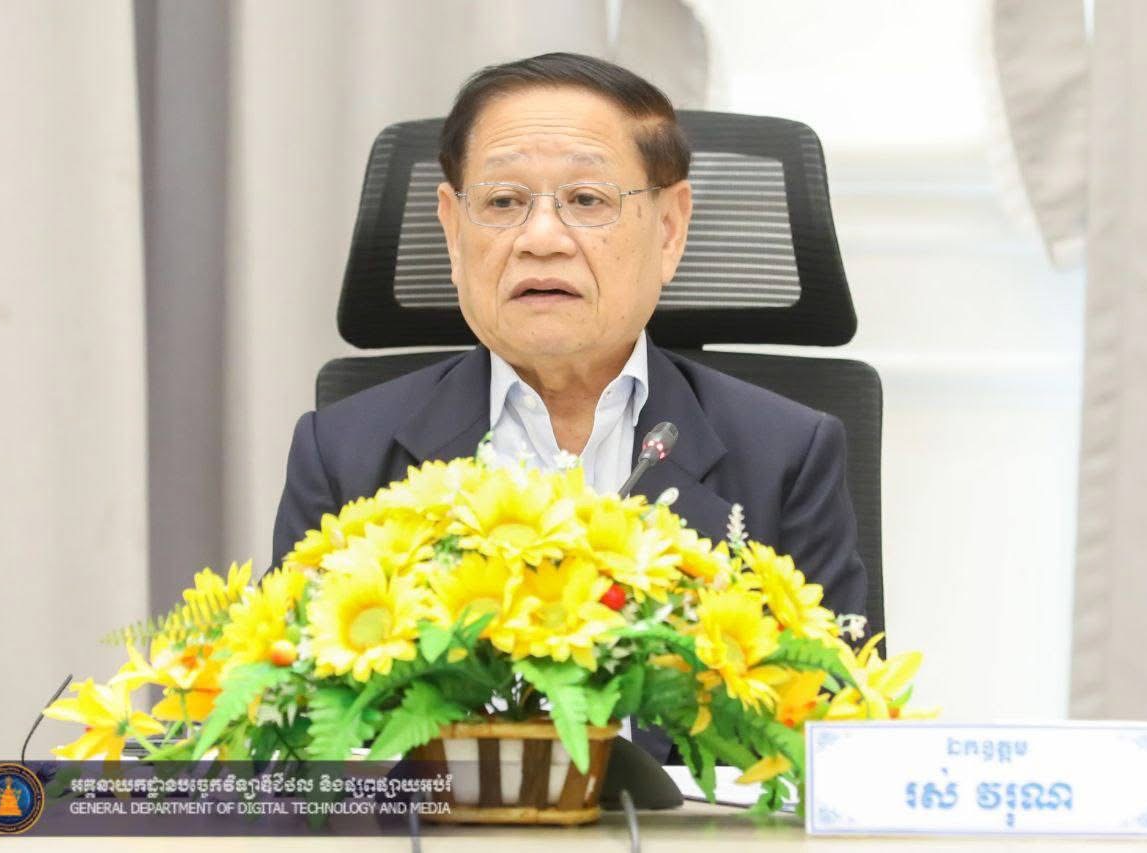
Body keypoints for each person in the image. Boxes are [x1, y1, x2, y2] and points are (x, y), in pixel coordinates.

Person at [270, 54, 867, 757]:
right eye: (502, 202)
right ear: (452, 231)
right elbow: (295, 740)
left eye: (587, 200)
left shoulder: (788, 457)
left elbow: (833, 747)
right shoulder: (342, 455)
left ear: (669, 229)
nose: (542, 239)